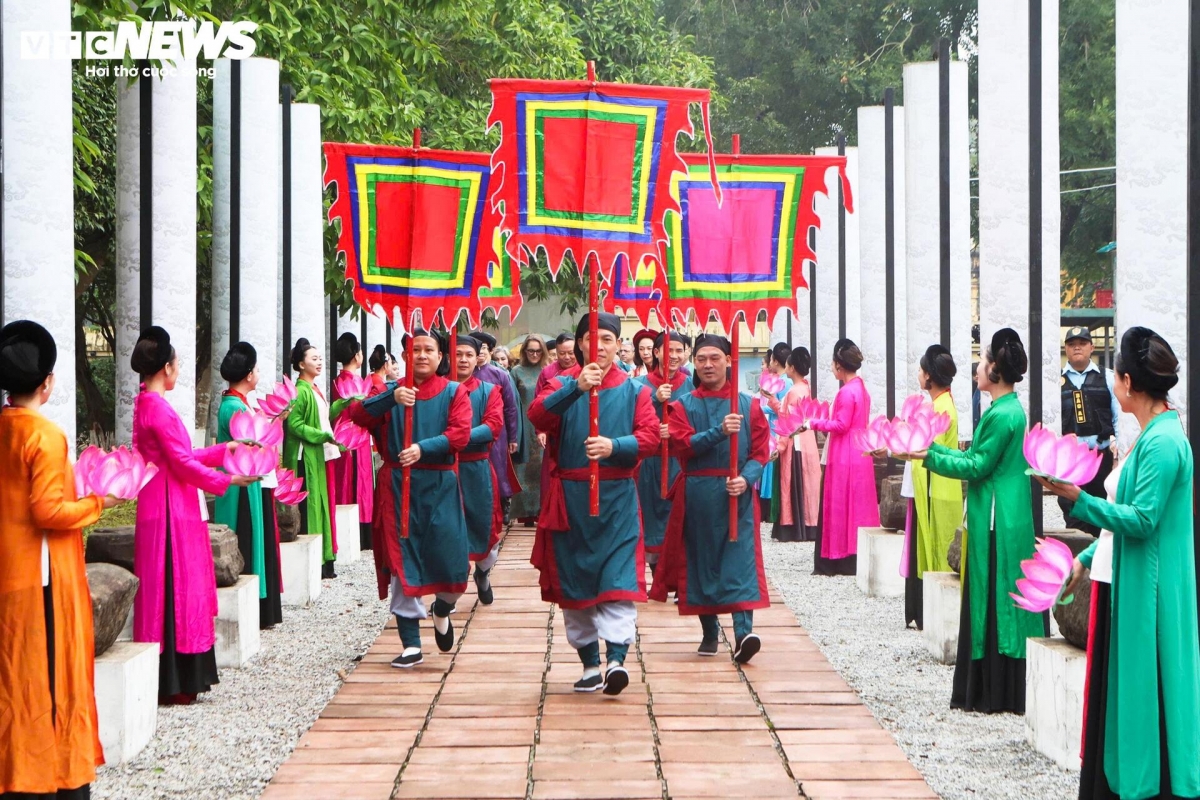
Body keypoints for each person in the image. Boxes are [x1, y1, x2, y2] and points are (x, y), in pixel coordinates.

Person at [1039, 327, 1200, 800]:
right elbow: (1122, 523)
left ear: (1128, 383)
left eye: (1115, 372)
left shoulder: (1165, 442)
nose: (1111, 380)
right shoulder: (1152, 434)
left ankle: (1150, 784)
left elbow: (1144, 520)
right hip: (1125, 575)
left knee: (1147, 688)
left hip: (1148, 585)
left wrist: (1078, 501)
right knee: (1126, 691)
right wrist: (1085, 558)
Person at [0, 321, 113, 799]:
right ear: (46, 382)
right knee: (49, 678)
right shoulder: (44, 435)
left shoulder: (7, 427)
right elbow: (47, 511)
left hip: (12, 571)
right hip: (42, 577)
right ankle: (50, 777)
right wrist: (97, 504)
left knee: (15, 677)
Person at [907, 328, 1046, 714]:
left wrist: (929, 454)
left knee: (994, 600)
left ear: (996, 371)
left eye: (983, 361)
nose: (977, 367)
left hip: (997, 520)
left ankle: (994, 692)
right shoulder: (1006, 411)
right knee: (1000, 597)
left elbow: (977, 465)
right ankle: (999, 690)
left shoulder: (1003, 415)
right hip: (1003, 514)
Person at [528, 312, 658, 695]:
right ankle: (588, 665)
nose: (598, 345)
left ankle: (617, 659)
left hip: (616, 499)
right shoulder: (558, 383)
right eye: (590, 338)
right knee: (574, 585)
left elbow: (650, 437)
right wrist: (575, 389)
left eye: (607, 338)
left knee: (618, 582)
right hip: (569, 501)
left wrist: (615, 446)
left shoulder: (637, 391)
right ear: (580, 344)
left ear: (619, 344)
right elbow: (537, 416)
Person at [129, 326, 256, 703]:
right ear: (167, 368)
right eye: (178, 363)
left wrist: (224, 449)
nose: (179, 370)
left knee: (163, 587)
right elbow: (182, 464)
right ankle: (178, 679)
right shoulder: (159, 409)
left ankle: (171, 675)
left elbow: (178, 458)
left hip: (161, 501)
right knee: (179, 587)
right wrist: (229, 478)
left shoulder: (144, 404)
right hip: (172, 508)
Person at [349, 329, 472, 668]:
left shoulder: (454, 392)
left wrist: (422, 448)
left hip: (440, 486)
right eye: (414, 349)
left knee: (453, 565)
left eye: (428, 349)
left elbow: (459, 435)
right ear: (405, 356)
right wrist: (393, 398)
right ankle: (411, 644)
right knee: (403, 564)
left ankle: (442, 608)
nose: (421, 355)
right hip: (398, 487)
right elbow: (357, 416)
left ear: (439, 356)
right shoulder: (391, 392)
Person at [651, 333, 770, 662]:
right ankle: (708, 630)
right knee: (702, 562)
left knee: (739, 562)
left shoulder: (751, 405)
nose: (707, 364)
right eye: (701, 358)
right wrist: (719, 431)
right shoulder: (682, 405)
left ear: (729, 361)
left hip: (737, 495)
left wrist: (746, 480)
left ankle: (744, 634)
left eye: (714, 358)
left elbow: (760, 453)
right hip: (698, 494)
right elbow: (682, 444)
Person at [213, 342, 283, 630]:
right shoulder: (233, 407)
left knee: (254, 534)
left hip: (248, 480)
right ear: (249, 374)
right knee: (247, 536)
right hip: (239, 484)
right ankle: (254, 608)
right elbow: (252, 443)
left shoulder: (237, 404)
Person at [802, 339, 879, 576]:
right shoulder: (861, 390)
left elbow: (840, 424)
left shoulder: (847, 392)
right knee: (857, 505)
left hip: (844, 454)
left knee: (838, 504)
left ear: (839, 365)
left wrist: (812, 422)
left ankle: (835, 556)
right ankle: (853, 555)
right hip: (859, 453)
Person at [901, 345, 961, 630]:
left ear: (930, 377)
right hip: (931, 484)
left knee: (935, 546)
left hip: (935, 487)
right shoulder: (941, 404)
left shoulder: (940, 407)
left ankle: (932, 613)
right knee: (927, 544)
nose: (919, 374)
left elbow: (924, 447)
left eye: (922, 370)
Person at [633, 330, 691, 577]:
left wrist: (676, 433)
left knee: (679, 518)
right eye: (669, 350)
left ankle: (677, 576)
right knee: (650, 518)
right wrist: (655, 400)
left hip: (679, 463)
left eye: (680, 350)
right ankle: (658, 572)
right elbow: (632, 421)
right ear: (656, 353)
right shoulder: (638, 386)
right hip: (648, 464)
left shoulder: (690, 384)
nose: (674, 355)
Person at [282, 338, 340, 579]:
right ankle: (316, 562)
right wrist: (323, 435)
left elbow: (323, 417)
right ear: (300, 364)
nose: (319, 362)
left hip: (315, 453)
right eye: (314, 359)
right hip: (303, 456)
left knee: (321, 504)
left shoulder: (313, 389)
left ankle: (324, 558)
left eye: (320, 358)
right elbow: (295, 426)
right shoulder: (300, 392)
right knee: (311, 506)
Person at [452, 335, 504, 605]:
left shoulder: (489, 391)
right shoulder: (439, 389)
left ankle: (483, 573)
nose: (463, 359)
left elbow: (493, 426)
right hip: (444, 470)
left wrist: (456, 437)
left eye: (468, 355)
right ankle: (447, 595)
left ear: (477, 358)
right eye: (458, 354)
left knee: (488, 533)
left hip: (477, 469)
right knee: (448, 531)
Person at [1060, 326, 1121, 535]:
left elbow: (1118, 417)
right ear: (1065, 349)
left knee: (1101, 515)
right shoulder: (1055, 382)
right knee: (1073, 515)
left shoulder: (1108, 378)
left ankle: (1098, 564)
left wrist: (1118, 456)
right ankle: (1078, 563)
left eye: (1082, 343)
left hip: (1100, 459)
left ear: (1092, 347)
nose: (1077, 347)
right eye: (1071, 344)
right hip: (1070, 461)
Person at [470, 329, 522, 528]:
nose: (481, 352)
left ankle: (503, 503)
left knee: (498, 468)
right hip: (469, 428)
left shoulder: (500, 374)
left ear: (490, 351)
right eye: (477, 347)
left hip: (497, 432)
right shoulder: (461, 373)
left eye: (484, 348)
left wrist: (513, 437)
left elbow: (510, 407)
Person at [771, 346, 821, 543]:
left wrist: (779, 446)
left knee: (791, 483)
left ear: (791, 367)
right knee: (808, 484)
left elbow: (786, 421)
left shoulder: (793, 391)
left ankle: (792, 525)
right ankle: (809, 524)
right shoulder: (807, 388)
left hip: (794, 441)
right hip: (807, 440)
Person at [331, 331, 375, 551]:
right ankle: (362, 528)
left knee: (344, 482)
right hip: (356, 440)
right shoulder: (358, 383)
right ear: (357, 355)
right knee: (360, 482)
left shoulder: (336, 382)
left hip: (340, 439)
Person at [510, 335, 548, 525]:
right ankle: (524, 514)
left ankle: (541, 511)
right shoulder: (516, 372)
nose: (534, 354)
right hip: (523, 423)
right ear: (524, 351)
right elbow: (510, 401)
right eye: (530, 350)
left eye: (538, 351)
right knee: (523, 467)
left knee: (542, 468)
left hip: (543, 423)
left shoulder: (547, 371)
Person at [758, 343, 792, 524]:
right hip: (774, 426)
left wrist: (760, 407)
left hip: (777, 428)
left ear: (776, 361)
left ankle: (772, 510)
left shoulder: (784, 382)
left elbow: (781, 409)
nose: (768, 362)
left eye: (770, 359)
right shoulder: (787, 381)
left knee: (772, 468)